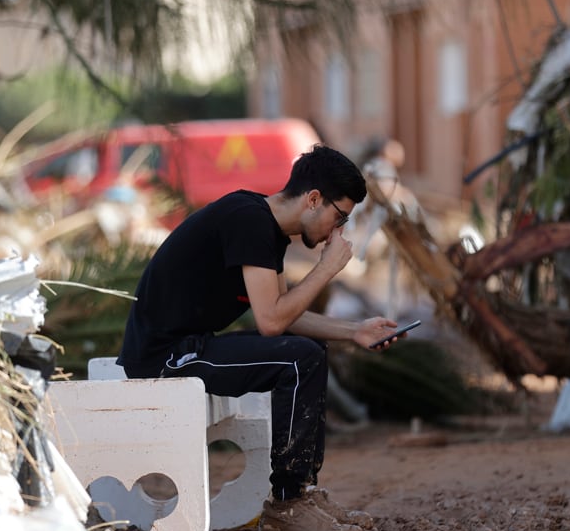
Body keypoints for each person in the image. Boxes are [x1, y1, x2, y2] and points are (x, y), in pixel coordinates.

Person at [117, 144, 404, 508]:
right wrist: (327, 268)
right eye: (340, 216)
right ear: (314, 199)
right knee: (300, 358)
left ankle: (303, 494)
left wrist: (355, 330)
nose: (339, 229)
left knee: (310, 351)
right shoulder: (249, 221)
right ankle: (289, 504)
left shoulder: (265, 226)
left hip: (189, 348)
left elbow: (286, 315)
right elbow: (271, 322)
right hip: (163, 360)